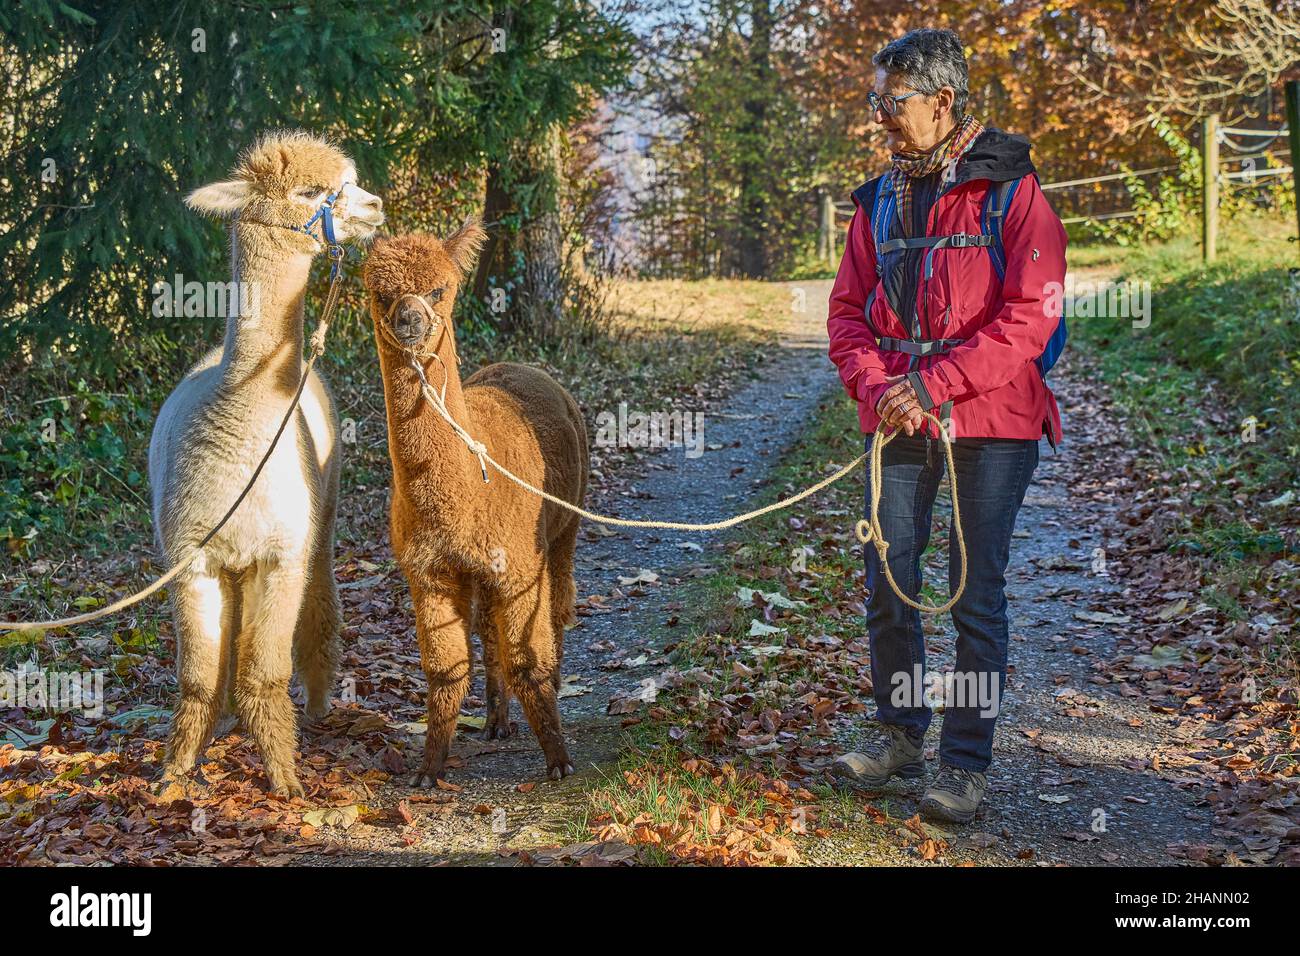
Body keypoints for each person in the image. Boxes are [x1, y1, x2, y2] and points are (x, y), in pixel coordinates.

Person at [826, 27, 1066, 823]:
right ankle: (899, 734)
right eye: (875, 101)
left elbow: (1033, 319)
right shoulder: (878, 200)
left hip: (991, 427)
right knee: (888, 581)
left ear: (941, 101)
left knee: (975, 597)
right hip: (895, 420)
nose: (880, 117)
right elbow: (845, 314)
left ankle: (963, 766)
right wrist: (877, 384)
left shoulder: (1013, 192)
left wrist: (936, 384)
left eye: (891, 103)